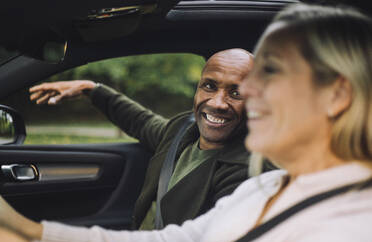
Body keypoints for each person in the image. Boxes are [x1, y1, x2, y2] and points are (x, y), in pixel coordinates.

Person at [2, 2, 372, 242]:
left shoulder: (350, 228)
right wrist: (31, 232)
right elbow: (175, 241)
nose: (252, 93)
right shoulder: (268, 187)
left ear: (336, 96)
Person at [28, 49, 273, 230]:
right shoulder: (182, 131)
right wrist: (92, 90)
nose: (217, 103)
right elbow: (142, 122)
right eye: (209, 86)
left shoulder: (250, 172)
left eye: (236, 93)